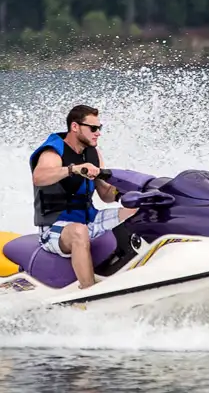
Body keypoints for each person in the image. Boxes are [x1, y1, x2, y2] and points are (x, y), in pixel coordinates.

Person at [28, 105, 138, 289]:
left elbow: (105, 194)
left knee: (137, 212)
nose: (98, 133)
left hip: (90, 219)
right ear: (75, 127)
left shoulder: (93, 153)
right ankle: (88, 292)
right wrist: (73, 169)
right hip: (55, 226)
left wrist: (125, 194)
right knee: (79, 231)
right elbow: (39, 177)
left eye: (99, 128)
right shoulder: (53, 151)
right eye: (93, 128)